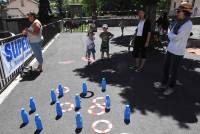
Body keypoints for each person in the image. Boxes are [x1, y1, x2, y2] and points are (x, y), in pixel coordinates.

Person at [154, 3, 193, 95]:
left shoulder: (188, 24)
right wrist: (171, 34)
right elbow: (173, 35)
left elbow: (176, 38)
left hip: (178, 52)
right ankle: (164, 84)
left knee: (173, 71)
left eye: (179, 11)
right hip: (170, 49)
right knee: (165, 68)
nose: (177, 13)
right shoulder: (177, 21)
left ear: (185, 12)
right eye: (177, 11)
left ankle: (171, 87)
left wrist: (169, 33)